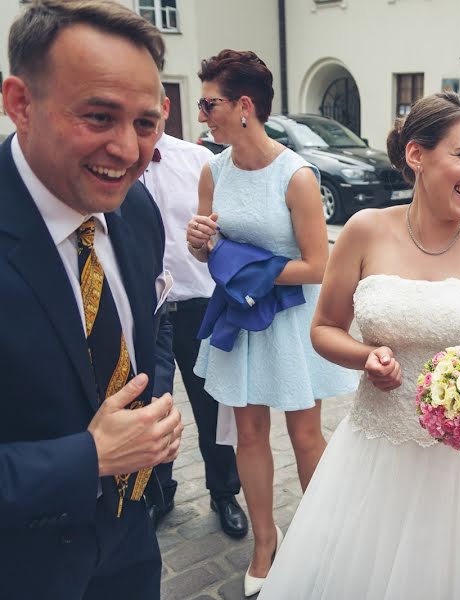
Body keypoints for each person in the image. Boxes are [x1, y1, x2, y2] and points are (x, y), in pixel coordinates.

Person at [257, 91, 460, 599]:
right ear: (417, 154)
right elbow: (323, 328)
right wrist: (366, 357)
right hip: (378, 451)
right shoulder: (365, 231)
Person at [0, 1, 184, 598]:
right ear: (19, 104)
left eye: (146, 123)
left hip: (132, 542)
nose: (128, 152)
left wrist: (153, 412)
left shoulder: (136, 210)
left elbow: (153, 324)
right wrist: (89, 458)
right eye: (99, 117)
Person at [185, 49, 357, 597]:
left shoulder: (297, 175)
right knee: (249, 433)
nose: (202, 114)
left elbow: (317, 264)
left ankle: (324, 536)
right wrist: (200, 247)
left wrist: (244, 266)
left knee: (305, 434)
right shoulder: (212, 170)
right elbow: (211, 251)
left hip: (289, 320)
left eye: (209, 103)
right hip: (240, 315)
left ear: (243, 105)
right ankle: (266, 539)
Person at [141, 90, 248, 537]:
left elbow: (227, 226)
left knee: (212, 405)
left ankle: (224, 493)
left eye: (149, 111)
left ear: (166, 108)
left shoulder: (200, 160)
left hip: (199, 303)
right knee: (151, 407)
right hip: (146, 310)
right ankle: (158, 494)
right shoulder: (114, 161)